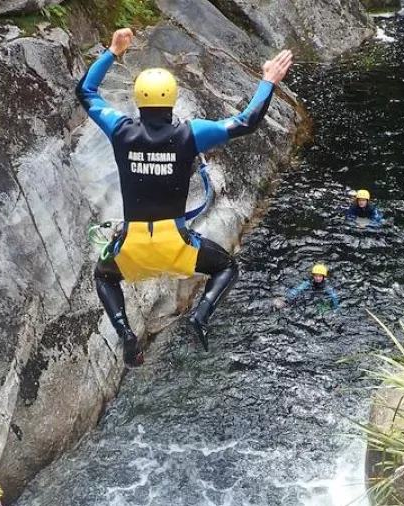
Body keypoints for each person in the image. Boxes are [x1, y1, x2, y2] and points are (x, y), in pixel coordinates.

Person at [78, 28, 294, 366]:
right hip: (176, 246)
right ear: (172, 98)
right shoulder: (190, 134)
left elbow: (86, 91)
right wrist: (268, 80)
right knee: (226, 267)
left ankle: (125, 334)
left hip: (132, 245)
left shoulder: (120, 129)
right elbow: (246, 122)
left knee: (104, 275)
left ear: (138, 99)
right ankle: (201, 315)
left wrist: (113, 51)